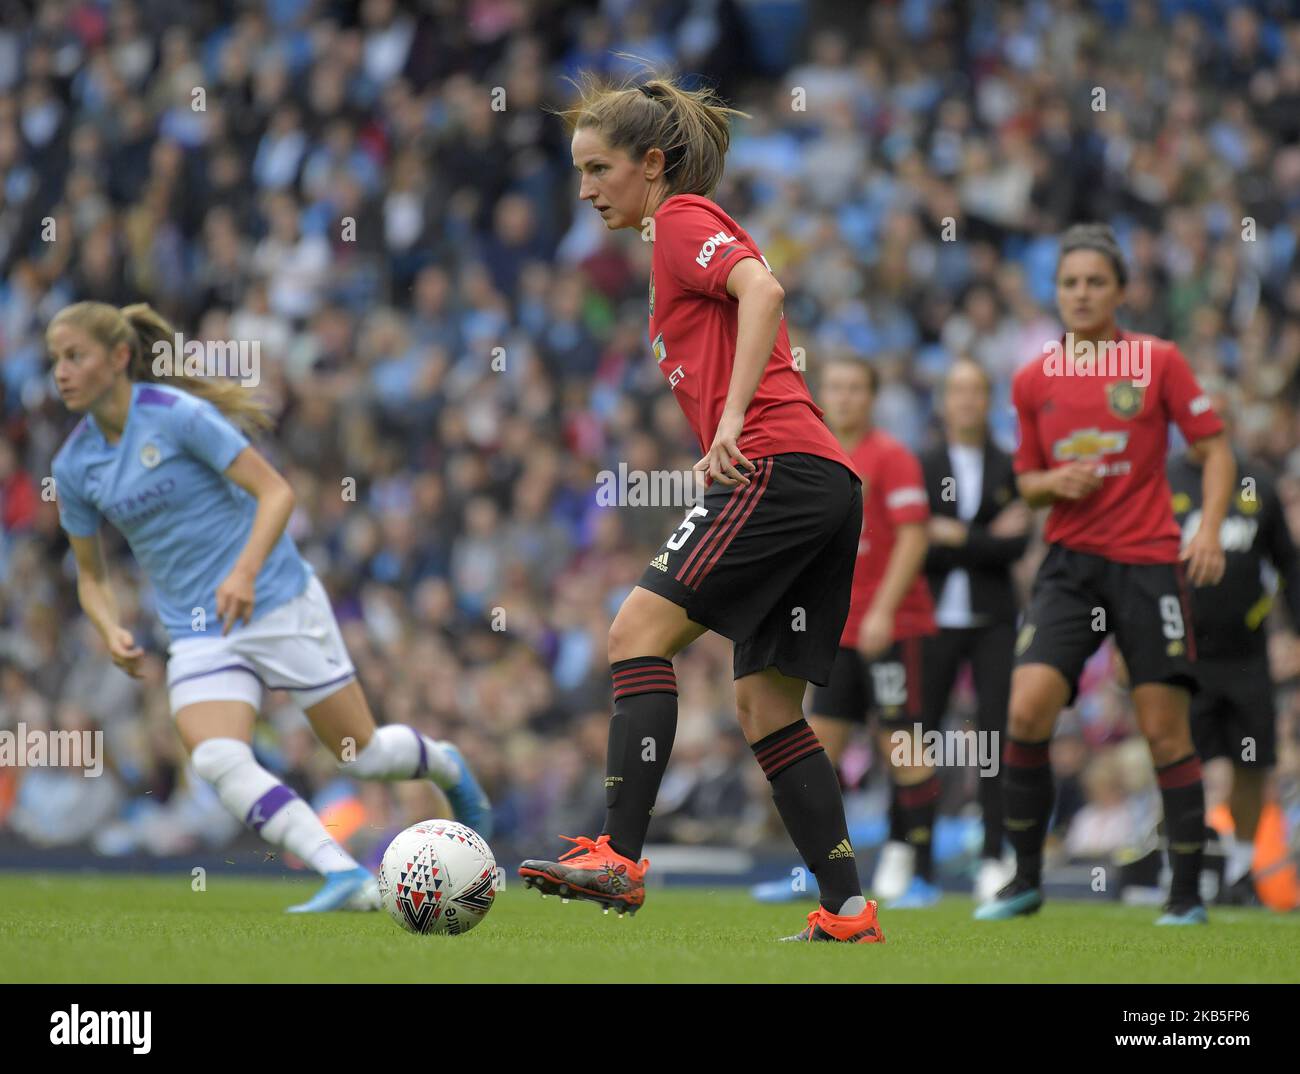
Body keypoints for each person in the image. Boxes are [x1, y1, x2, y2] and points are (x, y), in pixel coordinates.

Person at [517, 76, 883, 943]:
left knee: (634, 635)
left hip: (776, 466)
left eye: (599, 168)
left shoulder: (681, 220)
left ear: (652, 163)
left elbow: (766, 294)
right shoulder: (671, 236)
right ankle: (849, 912)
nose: (585, 190)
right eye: (577, 173)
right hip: (822, 481)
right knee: (766, 711)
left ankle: (621, 855)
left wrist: (727, 423)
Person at [48, 301, 492, 913]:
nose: (61, 373)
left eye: (75, 356)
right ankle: (341, 873)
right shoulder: (73, 466)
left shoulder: (178, 416)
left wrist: (245, 573)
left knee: (360, 757)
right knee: (215, 756)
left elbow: (276, 492)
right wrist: (108, 627)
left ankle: (445, 764)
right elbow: (91, 575)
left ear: (119, 358)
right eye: (55, 360)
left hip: (277, 599)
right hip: (199, 629)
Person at [976, 223, 1234, 926]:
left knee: (1163, 730)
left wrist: (1207, 527)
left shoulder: (1158, 361)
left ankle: (1185, 895)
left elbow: (1215, 451)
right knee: (1025, 709)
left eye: (1095, 282)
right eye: (1069, 283)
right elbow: (1025, 483)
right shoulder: (1033, 380)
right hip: (1068, 567)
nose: (1082, 294)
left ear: (1121, 290)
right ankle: (1024, 878)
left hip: (1148, 563)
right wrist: (1052, 481)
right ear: (1055, 293)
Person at [753, 356, 940, 908]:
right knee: (817, 751)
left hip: (893, 630)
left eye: (857, 387)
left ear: (873, 396)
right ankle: (818, 872)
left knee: (902, 750)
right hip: (834, 632)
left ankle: (921, 875)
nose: (847, 396)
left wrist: (882, 610)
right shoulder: (813, 455)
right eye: (836, 386)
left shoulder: (893, 457)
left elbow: (912, 538)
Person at [1167, 380, 1300, 905]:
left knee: (1252, 760)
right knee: (1181, 760)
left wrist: (1294, 631)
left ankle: (1241, 868)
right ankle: (1187, 864)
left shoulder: (1257, 485)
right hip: (1182, 652)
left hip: (1245, 654)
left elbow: (1288, 565)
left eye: (1219, 417)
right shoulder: (1163, 482)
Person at [919, 358, 1030, 903]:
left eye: (975, 391)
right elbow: (916, 544)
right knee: (915, 734)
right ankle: (912, 855)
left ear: (987, 400)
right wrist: (981, 536)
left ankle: (993, 854)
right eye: (956, 390)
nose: (965, 401)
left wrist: (955, 535)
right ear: (945, 400)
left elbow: (1016, 545)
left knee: (993, 738)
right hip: (933, 617)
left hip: (992, 620)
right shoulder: (923, 463)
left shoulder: (1008, 465)